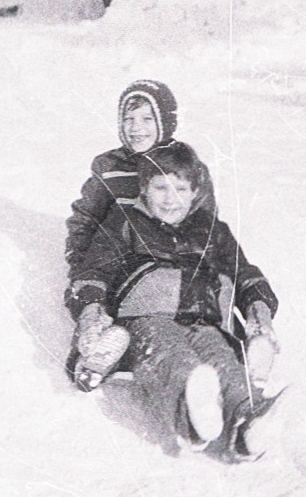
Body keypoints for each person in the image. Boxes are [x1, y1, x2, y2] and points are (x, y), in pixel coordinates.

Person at [67, 144, 280, 460]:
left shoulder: (212, 230)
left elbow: (243, 271)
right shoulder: (126, 222)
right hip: (147, 317)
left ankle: (249, 424)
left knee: (221, 359)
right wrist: (91, 309)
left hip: (204, 320)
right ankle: (193, 418)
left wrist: (257, 305)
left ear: (195, 192)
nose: (170, 198)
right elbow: (94, 268)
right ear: (145, 189)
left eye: (180, 188)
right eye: (160, 187)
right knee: (172, 359)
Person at [63, 80, 218, 388]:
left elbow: (205, 222)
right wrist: (81, 265)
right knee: (96, 302)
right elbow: (86, 217)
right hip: (116, 256)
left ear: (165, 122)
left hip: (167, 262)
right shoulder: (110, 166)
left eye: (148, 119)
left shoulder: (186, 166)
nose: (137, 128)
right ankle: (93, 349)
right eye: (129, 119)